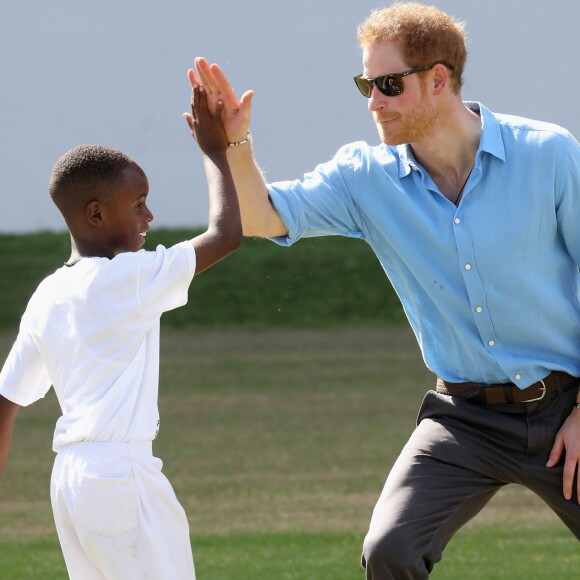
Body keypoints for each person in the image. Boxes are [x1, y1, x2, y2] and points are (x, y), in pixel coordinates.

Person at [189, 1, 580, 577]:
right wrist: (232, 148)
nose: (373, 102)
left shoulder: (548, 154)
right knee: (388, 552)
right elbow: (261, 217)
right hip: (464, 419)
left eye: (389, 85)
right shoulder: (364, 177)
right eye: (366, 85)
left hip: (567, 404)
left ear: (439, 80)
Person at [0, 84, 240, 579]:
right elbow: (226, 235)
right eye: (139, 204)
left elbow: (7, 400)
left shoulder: (47, 294)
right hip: (121, 478)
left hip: (69, 484)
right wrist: (217, 151)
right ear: (96, 214)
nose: (149, 216)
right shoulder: (124, 279)